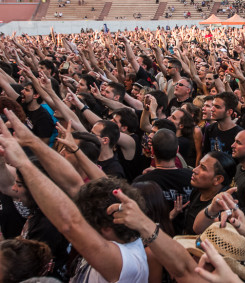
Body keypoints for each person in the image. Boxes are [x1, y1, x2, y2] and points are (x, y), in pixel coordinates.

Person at [0, 108, 149, 282]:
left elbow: (70, 223)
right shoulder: (126, 231)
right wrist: (32, 142)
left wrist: (24, 164)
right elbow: (75, 184)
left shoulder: (126, 262)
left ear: (105, 228)